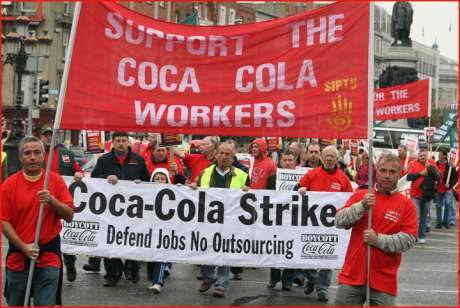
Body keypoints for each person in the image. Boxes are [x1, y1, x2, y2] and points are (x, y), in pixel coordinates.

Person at [334, 153, 418, 306]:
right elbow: (339, 221)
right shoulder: (361, 195)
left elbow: (408, 240)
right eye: (383, 170)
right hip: (352, 275)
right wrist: (361, 206)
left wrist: (378, 240)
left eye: (392, 172)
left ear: (400, 174)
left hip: (384, 280)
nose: (387, 175)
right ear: (376, 171)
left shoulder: (407, 205)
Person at [2, 136, 74, 306]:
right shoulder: (9, 185)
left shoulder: (55, 181)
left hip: (48, 256)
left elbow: (69, 215)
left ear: (43, 156)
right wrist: (23, 247)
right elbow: (4, 222)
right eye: (27, 153)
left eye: (36, 152)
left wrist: (52, 200)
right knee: (16, 303)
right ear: (20, 158)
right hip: (18, 257)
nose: (32, 157)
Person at [90, 131, 150, 287]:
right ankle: (112, 274)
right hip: (110, 209)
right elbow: (94, 180)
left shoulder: (138, 160)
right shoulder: (104, 160)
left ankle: (132, 269)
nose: (121, 143)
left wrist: (140, 183)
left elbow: (148, 182)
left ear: (128, 143)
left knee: (133, 238)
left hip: (133, 209)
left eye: (124, 140)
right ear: (113, 143)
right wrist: (106, 178)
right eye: (118, 141)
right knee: (110, 239)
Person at [191, 142, 248, 298]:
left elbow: (250, 199)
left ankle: (221, 284)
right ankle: (208, 276)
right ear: (216, 155)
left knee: (225, 251)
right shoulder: (205, 173)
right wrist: (193, 187)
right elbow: (195, 190)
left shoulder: (242, 175)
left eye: (227, 154)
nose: (223, 157)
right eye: (221, 153)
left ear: (232, 158)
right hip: (209, 220)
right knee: (206, 249)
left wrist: (247, 191)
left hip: (230, 221)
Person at [297, 145, 353, 302]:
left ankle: (323, 289)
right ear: (322, 158)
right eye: (326, 156)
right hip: (311, 223)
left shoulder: (343, 178)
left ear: (337, 159)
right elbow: (297, 188)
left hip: (332, 226)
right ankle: (312, 279)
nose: (329, 159)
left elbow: (350, 199)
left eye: (332, 156)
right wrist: (301, 189)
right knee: (306, 256)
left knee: (328, 258)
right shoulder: (312, 174)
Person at [40, 124, 84, 282]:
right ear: (41, 137)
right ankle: (49, 267)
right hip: (43, 202)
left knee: (67, 235)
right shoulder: (38, 154)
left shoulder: (66, 154)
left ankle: (70, 263)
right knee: (48, 233)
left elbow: (77, 170)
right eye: (46, 135)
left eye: (51, 135)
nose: (49, 137)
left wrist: (79, 173)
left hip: (62, 201)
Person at [266, 151, 296, 291]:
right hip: (276, 219)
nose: (288, 163)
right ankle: (274, 277)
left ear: (294, 162)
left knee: (291, 249)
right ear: (280, 162)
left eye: (290, 160)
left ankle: (287, 280)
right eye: (285, 160)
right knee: (275, 247)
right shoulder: (272, 178)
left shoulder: (301, 178)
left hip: (294, 219)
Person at [147, 168, 173, 293]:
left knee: (161, 256)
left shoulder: (173, 193)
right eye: (156, 179)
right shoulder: (146, 192)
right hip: (149, 230)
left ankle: (158, 282)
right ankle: (152, 280)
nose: (159, 181)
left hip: (165, 231)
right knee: (150, 257)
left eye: (162, 179)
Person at [407, 148, 439, 243]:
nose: (423, 157)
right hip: (415, 195)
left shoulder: (432, 164)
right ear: (418, 156)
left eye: (424, 155)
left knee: (423, 217)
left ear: (427, 156)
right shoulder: (414, 165)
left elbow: (438, 176)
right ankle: (413, 236)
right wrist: (420, 174)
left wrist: (431, 169)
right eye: (421, 156)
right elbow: (409, 177)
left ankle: (421, 236)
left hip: (426, 196)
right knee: (416, 216)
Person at [435, 150, 450, 229]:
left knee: (447, 204)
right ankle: (439, 223)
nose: (439, 156)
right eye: (438, 155)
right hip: (438, 188)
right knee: (438, 206)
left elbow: (454, 176)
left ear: (444, 156)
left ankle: (446, 221)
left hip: (447, 189)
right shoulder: (435, 164)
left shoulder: (450, 165)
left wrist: (450, 184)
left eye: (440, 155)